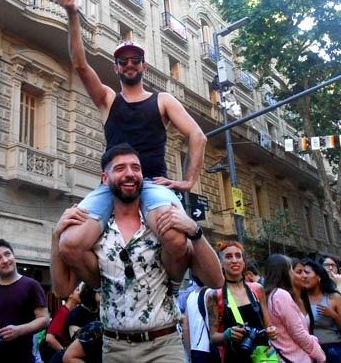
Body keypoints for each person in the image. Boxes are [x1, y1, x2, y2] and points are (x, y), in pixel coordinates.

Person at [57, 0, 209, 288]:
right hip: (111, 187)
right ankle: (102, 287)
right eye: (123, 60)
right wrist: (73, 13)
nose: (129, 64)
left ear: (144, 67)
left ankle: (173, 280)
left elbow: (198, 136)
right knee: (69, 243)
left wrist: (187, 182)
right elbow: (80, 64)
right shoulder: (108, 100)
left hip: (152, 183)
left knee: (176, 238)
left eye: (135, 59)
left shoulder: (163, 100)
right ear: (116, 67)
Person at [52, 144, 222, 362]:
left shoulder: (164, 227)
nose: (130, 174)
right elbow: (61, 289)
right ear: (106, 179)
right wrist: (55, 236)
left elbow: (216, 281)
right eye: (120, 168)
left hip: (164, 347)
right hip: (114, 349)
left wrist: (194, 231)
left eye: (136, 168)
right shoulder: (93, 234)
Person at [0, 239, 49, 362]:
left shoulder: (32, 286)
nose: (5, 260)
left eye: (7, 254)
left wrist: (19, 330)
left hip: (22, 358)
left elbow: (44, 320)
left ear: (13, 256)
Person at [206, 241, 276, 363]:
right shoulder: (214, 295)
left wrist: (272, 331)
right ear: (221, 263)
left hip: (263, 357)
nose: (234, 260)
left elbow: (268, 325)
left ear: (243, 263)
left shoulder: (257, 289)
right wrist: (227, 335)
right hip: (235, 358)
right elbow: (213, 338)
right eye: (228, 256)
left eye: (238, 256)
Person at [264, 254, 325, 363]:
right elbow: (298, 333)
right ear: (284, 272)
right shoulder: (281, 295)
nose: (292, 272)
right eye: (291, 269)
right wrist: (320, 356)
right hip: (295, 357)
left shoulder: (269, 295)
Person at [302, 259, 341, 363]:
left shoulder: (334, 297)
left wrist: (334, 316)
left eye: (307, 272)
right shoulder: (300, 299)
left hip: (333, 350)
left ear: (319, 276)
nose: (304, 276)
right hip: (310, 353)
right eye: (301, 272)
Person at [182, 274, 218, 363]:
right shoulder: (213, 294)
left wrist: (190, 351)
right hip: (212, 349)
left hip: (195, 349)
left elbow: (185, 326)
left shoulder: (190, 296)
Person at [41, 284, 82, 362]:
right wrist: (65, 354)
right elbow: (49, 338)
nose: (80, 293)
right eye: (77, 290)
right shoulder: (63, 313)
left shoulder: (72, 313)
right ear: (70, 294)